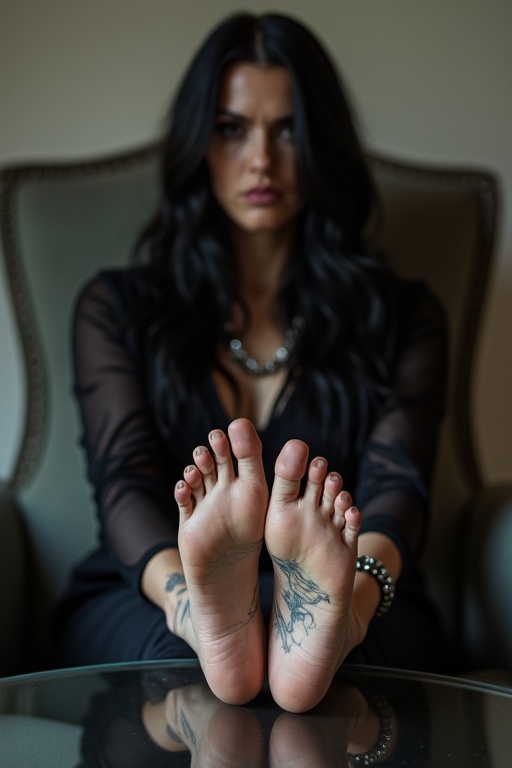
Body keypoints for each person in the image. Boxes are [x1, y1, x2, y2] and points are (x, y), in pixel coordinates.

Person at [54, 11, 447, 713]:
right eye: (233, 128)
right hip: (151, 588)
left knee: (339, 658)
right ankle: (218, 627)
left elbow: (399, 491)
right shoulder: (117, 308)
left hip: (357, 587)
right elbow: (125, 486)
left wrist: (349, 610)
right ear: (197, 142)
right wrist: (189, 607)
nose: (261, 159)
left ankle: (317, 634)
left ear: (323, 142)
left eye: (289, 128)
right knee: (183, 659)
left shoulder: (401, 316)